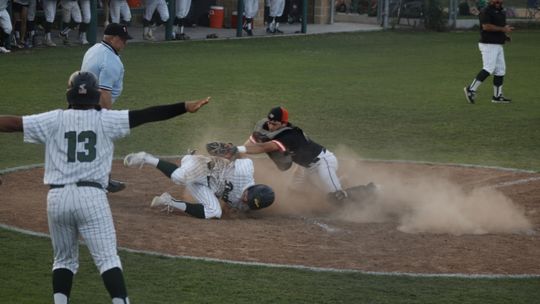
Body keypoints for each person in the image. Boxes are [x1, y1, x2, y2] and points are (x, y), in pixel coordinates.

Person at [0, 70, 210, 304]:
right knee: (107, 259)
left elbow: (13, 124)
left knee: (63, 260)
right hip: (91, 197)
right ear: (95, 94)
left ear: (69, 94)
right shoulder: (106, 120)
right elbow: (147, 115)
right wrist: (184, 106)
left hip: (56, 198)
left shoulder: (53, 119)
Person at [209, 106, 378, 205]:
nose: (270, 125)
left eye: (274, 123)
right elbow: (253, 142)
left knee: (336, 199)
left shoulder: (290, 135)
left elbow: (266, 147)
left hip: (322, 162)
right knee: (294, 191)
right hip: (305, 167)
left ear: (283, 123)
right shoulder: (267, 127)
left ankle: (370, 191)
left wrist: (237, 150)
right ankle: (339, 182)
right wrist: (237, 152)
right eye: (269, 121)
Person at [123, 149, 275, 219]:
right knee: (179, 177)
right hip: (203, 166)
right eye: (247, 196)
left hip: (204, 186)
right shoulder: (246, 172)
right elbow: (238, 153)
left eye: (248, 202)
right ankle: (145, 158)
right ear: (253, 187)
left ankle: (169, 201)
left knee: (215, 212)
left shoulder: (246, 204)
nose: (244, 200)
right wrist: (230, 150)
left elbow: (233, 208)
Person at [81, 23, 132, 192]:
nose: (125, 43)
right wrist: (107, 116)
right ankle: (99, 182)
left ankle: (102, 178)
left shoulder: (94, 49)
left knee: (90, 143)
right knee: (101, 144)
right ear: (114, 38)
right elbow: (104, 92)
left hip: (81, 103)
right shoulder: (110, 60)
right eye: (123, 40)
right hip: (95, 107)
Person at [464, 0, 514, 104]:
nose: (497, 1)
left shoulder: (501, 11)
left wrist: (504, 37)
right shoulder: (486, 11)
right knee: (489, 68)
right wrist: (503, 29)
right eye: (495, 0)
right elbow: (486, 26)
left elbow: (500, 27)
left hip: (497, 44)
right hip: (488, 44)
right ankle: (470, 89)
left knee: (500, 70)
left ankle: (497, 96)